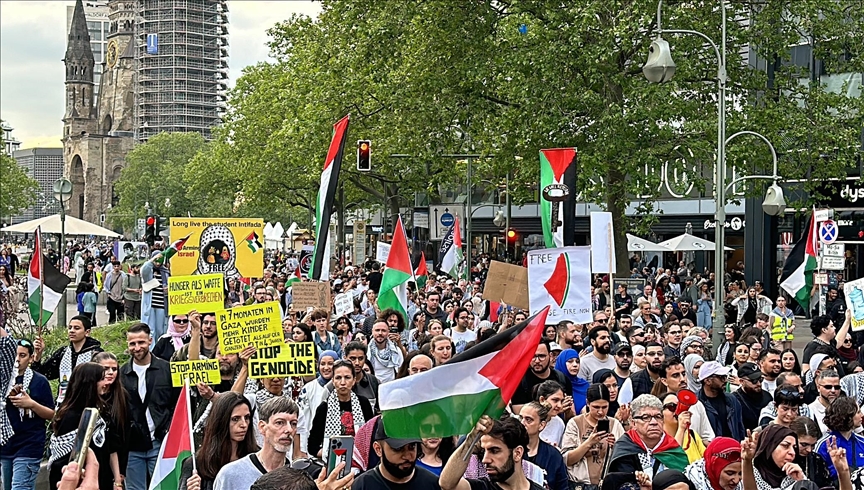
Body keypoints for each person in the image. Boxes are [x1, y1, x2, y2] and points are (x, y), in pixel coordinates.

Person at [120, 322, 180, 490]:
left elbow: (176, 403)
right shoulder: (121, 374)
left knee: (164, 488)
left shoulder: (167, 369)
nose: (137, 347)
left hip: (160, 443)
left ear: (150, 341)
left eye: (141, 342)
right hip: (133, 446)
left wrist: (170, 431)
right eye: (132, 343)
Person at [48, 363, 121, 490]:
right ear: (91, 383)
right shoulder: (71, 416)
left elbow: (108, 447)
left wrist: (116, 480)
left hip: (101, 479)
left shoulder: (99, 411)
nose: (107, 383)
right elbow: (64, 457)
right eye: (102, 379)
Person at [1, 339, 55, 490]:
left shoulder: (39, 381)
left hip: (29, 444)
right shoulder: (4, 379)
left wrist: (31, 404)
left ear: (31, 358)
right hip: (6, 444)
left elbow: (52, 414)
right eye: (14, 355)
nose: (17, 359)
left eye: (22, 355)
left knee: (20, 487)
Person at [439, 414, 546, 490]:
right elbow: (447, 484)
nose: (485, 459)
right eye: (483, 450)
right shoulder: (481, 487)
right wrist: (470, 440)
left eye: (494, 451)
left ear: (517, 453)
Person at [213, 397, 298, 490]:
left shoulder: (298, 476)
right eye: (280, 423)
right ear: (262, 427)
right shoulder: (230, 474)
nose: (289, 430)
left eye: (293, 423)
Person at [181, 392, 259, 490]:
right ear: (221, 421)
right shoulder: (196, 464)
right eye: (235, 419)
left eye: (247, 417)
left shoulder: (258, 457)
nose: (243, 424)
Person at [606, 394, 688, 476]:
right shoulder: (624, 448)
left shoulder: (672, 447)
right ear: (633, 423)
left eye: (658, 416)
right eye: (646, 417)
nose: (654, 422)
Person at [31, 315, 103, 405]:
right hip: (63, 404)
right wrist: (37, 356)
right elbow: (44, 374)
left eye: (76, 328)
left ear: (87, 332)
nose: (72, 331)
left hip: (87, 404)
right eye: (70, 328)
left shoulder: (97, 354)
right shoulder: (63, 352)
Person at [561, 383, 624, 488]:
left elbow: (623, 459)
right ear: (587, 403)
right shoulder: (575, 423)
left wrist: (614, 446)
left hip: (607, 484)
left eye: (604, 407)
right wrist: (589, 442)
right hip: (580, 484)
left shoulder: (615, 424)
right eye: (596, 407)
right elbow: (567, 460)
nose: (600, 412)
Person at [309, 359, 374, 458]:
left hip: (360, 460)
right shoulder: (324, 408)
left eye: (347, 377)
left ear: (353, 380)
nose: (343, 382)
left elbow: (371, 436)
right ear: (333, 381)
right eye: (338, 378)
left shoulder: (363, 404)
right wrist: (330, 455)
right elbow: (312, 446)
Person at [352, 420, 441, 489]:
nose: (407, 456)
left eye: (412, 447)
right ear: (378, 449)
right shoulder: (361, 486)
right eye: (398, 449)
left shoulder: (432, 484)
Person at [296, 350, 339, 457]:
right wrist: (302, 447)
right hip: (314, 443)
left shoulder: (343, 387)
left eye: (330, 364)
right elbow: (303, 419)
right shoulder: (308, 388)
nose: (326, 367)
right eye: (323, 364)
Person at [518, 401, 569, 490]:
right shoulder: (510, 451)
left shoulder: (553, 455)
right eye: (520, 418)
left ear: (541, 425)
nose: (522, 423)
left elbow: (562, 487)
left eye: (528, 420)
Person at [511, 340, 572, 413]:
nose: (537, 361)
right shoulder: (520, 381)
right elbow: (519, 413)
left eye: (541, 356)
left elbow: (570, 414)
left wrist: (567, 409)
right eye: (533, 356)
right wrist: (555, 410)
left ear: (550, 356)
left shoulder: (562, 378)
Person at [740, 424, 805, 490]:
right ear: (769, 447)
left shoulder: (795, 476)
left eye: (794, 448)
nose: (792, 452)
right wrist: (747, 461)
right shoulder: (747, 474)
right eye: (785, 446)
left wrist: (802, 482)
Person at [814, 396, 864, 479]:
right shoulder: (823, 445)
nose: (862, 415)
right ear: (847, 416)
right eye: (858, 412)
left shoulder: (862, 441)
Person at [696, 361, 745, 440]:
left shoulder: (732, 400)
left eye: (725, 377)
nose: (725, 380)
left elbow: (740, 428)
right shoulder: (696, 404)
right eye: (721, 377)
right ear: (708, 381)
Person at [659, 391, 705, 463]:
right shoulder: (658, 439)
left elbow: (706, 460)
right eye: (672, 407)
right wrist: (681, 428)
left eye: (679, 406)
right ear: (660, 413)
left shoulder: (692, 435)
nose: (677, 411)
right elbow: (673, 461)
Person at [790, 416, 831, 488]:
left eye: (813, 445)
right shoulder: (782, 459)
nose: (809, 450)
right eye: (804, 444)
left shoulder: (817, 460)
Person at [141, 251, 171, 342]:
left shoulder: (166, 272)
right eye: (156, 260)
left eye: (160, 260)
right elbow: (144, 269)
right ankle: (151, 350)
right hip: (150, 306)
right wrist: (153, 259)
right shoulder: (148, 271)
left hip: (161, 305)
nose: (158, 262)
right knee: (150, 330)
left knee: (161, 330)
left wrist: (168, 290)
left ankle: (159, 350)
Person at [552, 348, 588, 413]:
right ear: (561, 363)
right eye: (570, 361)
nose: (575, 365)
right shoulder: (553, 386)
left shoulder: (585, 385)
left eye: (577, 361)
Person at [809, 369, 842, 433]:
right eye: (828, 387)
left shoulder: (846, 408)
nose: (833, 391)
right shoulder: (810, 410)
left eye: (837, 387)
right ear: (818, 388)